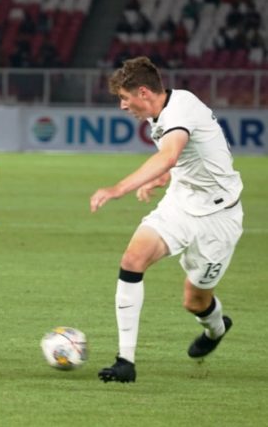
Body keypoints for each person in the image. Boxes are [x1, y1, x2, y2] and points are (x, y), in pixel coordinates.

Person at [90, 57, 243, 383]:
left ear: (143, 92)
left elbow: (170, 153)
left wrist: (118, 188)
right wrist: (160, 178)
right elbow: (184, 158)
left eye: (124, 98)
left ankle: (216, 329)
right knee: (132, 259)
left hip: (219, 216)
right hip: (180, 204)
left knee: (195, 299)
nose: (122, 106)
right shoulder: (159, 114)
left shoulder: (179, 109)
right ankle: (125, 362)